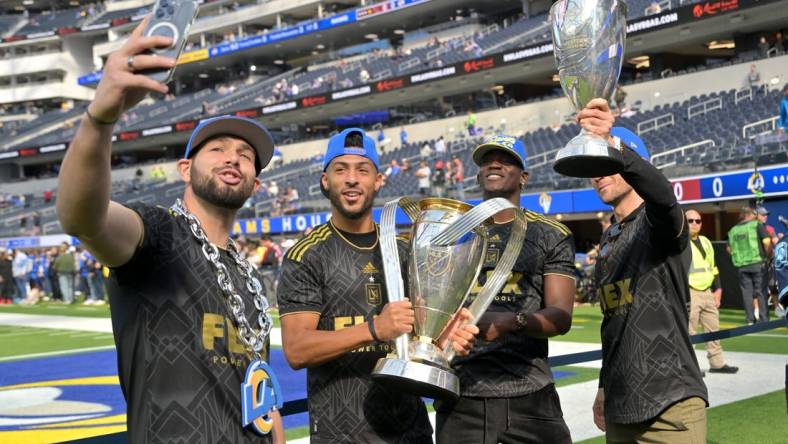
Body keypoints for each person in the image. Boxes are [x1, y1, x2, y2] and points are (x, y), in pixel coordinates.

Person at [55, 17, 283, 443]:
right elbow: (81, 218)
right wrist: (100, 118)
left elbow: (263, 390)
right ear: (185, 168)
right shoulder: (159, 235)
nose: (232, 159)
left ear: (256, 183)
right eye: (216, 149)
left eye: (245, 156)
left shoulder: (248, 275)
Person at [276, 128, 478, 443]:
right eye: (340, 170)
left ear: (379, 180)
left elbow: (417, 334)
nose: (352, 179)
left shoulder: (405, 249)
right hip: (342, 434)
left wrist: (444, 338)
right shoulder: (308, 254)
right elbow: (296, 349)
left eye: (362, 170)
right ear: (325, 180)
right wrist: (374, 329)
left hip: (411, 429)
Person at [435, 134, 576, 443]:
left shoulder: (550, 234)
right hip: (462, 393)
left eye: (506, 159)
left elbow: (561, 316)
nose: (494, 163)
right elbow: (432, 310)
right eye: (487, 160)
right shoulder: (451, 235)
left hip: (530, 391)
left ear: (524, 176)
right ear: (478, 174)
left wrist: (509, 322)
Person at [588, 116, 708, 442]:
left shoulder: (659, 224)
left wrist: (613, 145)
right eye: (594, 165)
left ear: (632, 164)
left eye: (608, 163)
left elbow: (664, 198)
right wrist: (602, 386)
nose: (598, 174)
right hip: (620, 405)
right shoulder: (609, 239)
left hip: (670, 403)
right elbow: (612, 323)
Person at [685, 209, 738, 374]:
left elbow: (713, 267)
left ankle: (717, 363)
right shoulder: (679, 244)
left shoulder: (706, 241)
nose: (694, 224)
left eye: (698, 221)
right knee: (689, 331)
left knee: (713, 328)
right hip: (690, 291)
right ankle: (689, 367)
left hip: (708, 291)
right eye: (690, 221)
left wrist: (718, 289)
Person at [727, 206, 772, 324]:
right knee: (761, 291)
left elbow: (728, 248)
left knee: (747, 293)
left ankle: (750, 319)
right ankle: (764, 320)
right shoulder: (756, 225)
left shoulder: (733, 230)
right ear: (751, 214)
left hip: (742, 266)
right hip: (758, 263)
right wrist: (768, 256)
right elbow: (767, 242)